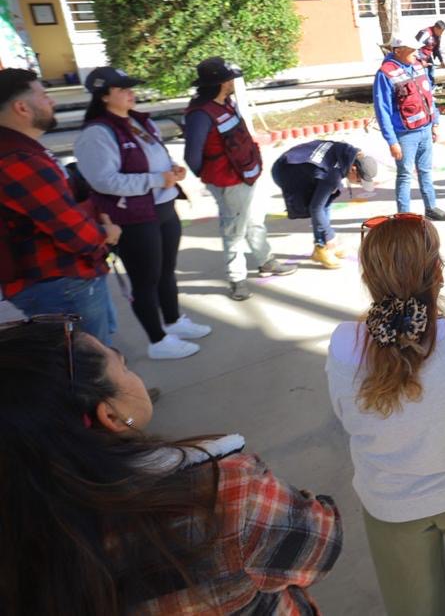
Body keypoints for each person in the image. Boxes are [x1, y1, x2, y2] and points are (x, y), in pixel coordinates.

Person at [0, 316, 343, 613]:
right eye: (123, 365)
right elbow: (320, 545)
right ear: (111, 416)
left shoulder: (24, 543)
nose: (132, 374)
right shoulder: (225, 498)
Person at [327, 213, 445, 616]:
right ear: (439, 273)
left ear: (368, 277)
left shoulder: (344, 346)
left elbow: (346, 418)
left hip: (390, 505)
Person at [74, 67, 209, 360]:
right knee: (145, 280)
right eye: (122, 89)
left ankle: (173, 321)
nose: (130, 93)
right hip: (133, 216)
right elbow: (104, 182)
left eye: (130, 88)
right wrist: (157, 179)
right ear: (104, 96)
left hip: (162, 207)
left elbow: (155, 157)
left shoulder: (138, 121)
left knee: (166, 271)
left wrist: (172, 169)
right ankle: (157, 340)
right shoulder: (97, 133)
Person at [0, 68, 120, 342]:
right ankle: (110, 386)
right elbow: (70, 229)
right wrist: (106, 234)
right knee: (90, 361)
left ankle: (117, 385)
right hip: (59, 281)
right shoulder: (17, 159)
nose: (51, 101)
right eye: (43, 95)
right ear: (21, 107)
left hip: (63, 277)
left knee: (97, 352)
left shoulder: (25, 149)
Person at [184, 57, 296, 301]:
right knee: (234, 230)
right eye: (230, 78)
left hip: (245, 175)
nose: (234, 81)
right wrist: (213, 179)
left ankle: (266, 261)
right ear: (221, 83)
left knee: (255, 221)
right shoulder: (200, 114)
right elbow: (192, 156)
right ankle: (237, 279)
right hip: (227, 182)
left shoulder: (225, 102)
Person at [374, 38, 445, 223]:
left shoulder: (417, 66)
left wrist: (435, 122)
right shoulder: (385, 74)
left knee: (425, 171)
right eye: (412, 51)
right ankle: (404, 217)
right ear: (399, 50)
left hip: (425, 128)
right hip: (405, 135)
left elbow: (428, 96)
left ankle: (431, 207)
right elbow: (382, 109)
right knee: (405, 175)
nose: (417, 54)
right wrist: (392, 141)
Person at [271, 139, 379, 269]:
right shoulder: (331, 176)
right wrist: (330, 235)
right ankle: (322, 247)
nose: (360, 184)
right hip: (286, 171)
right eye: (359, 181)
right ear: (353, 169)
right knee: (320, 206)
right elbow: (315, 208)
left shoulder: (347, 152)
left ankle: (321, 246)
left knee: (326, 199)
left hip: (296, 161)